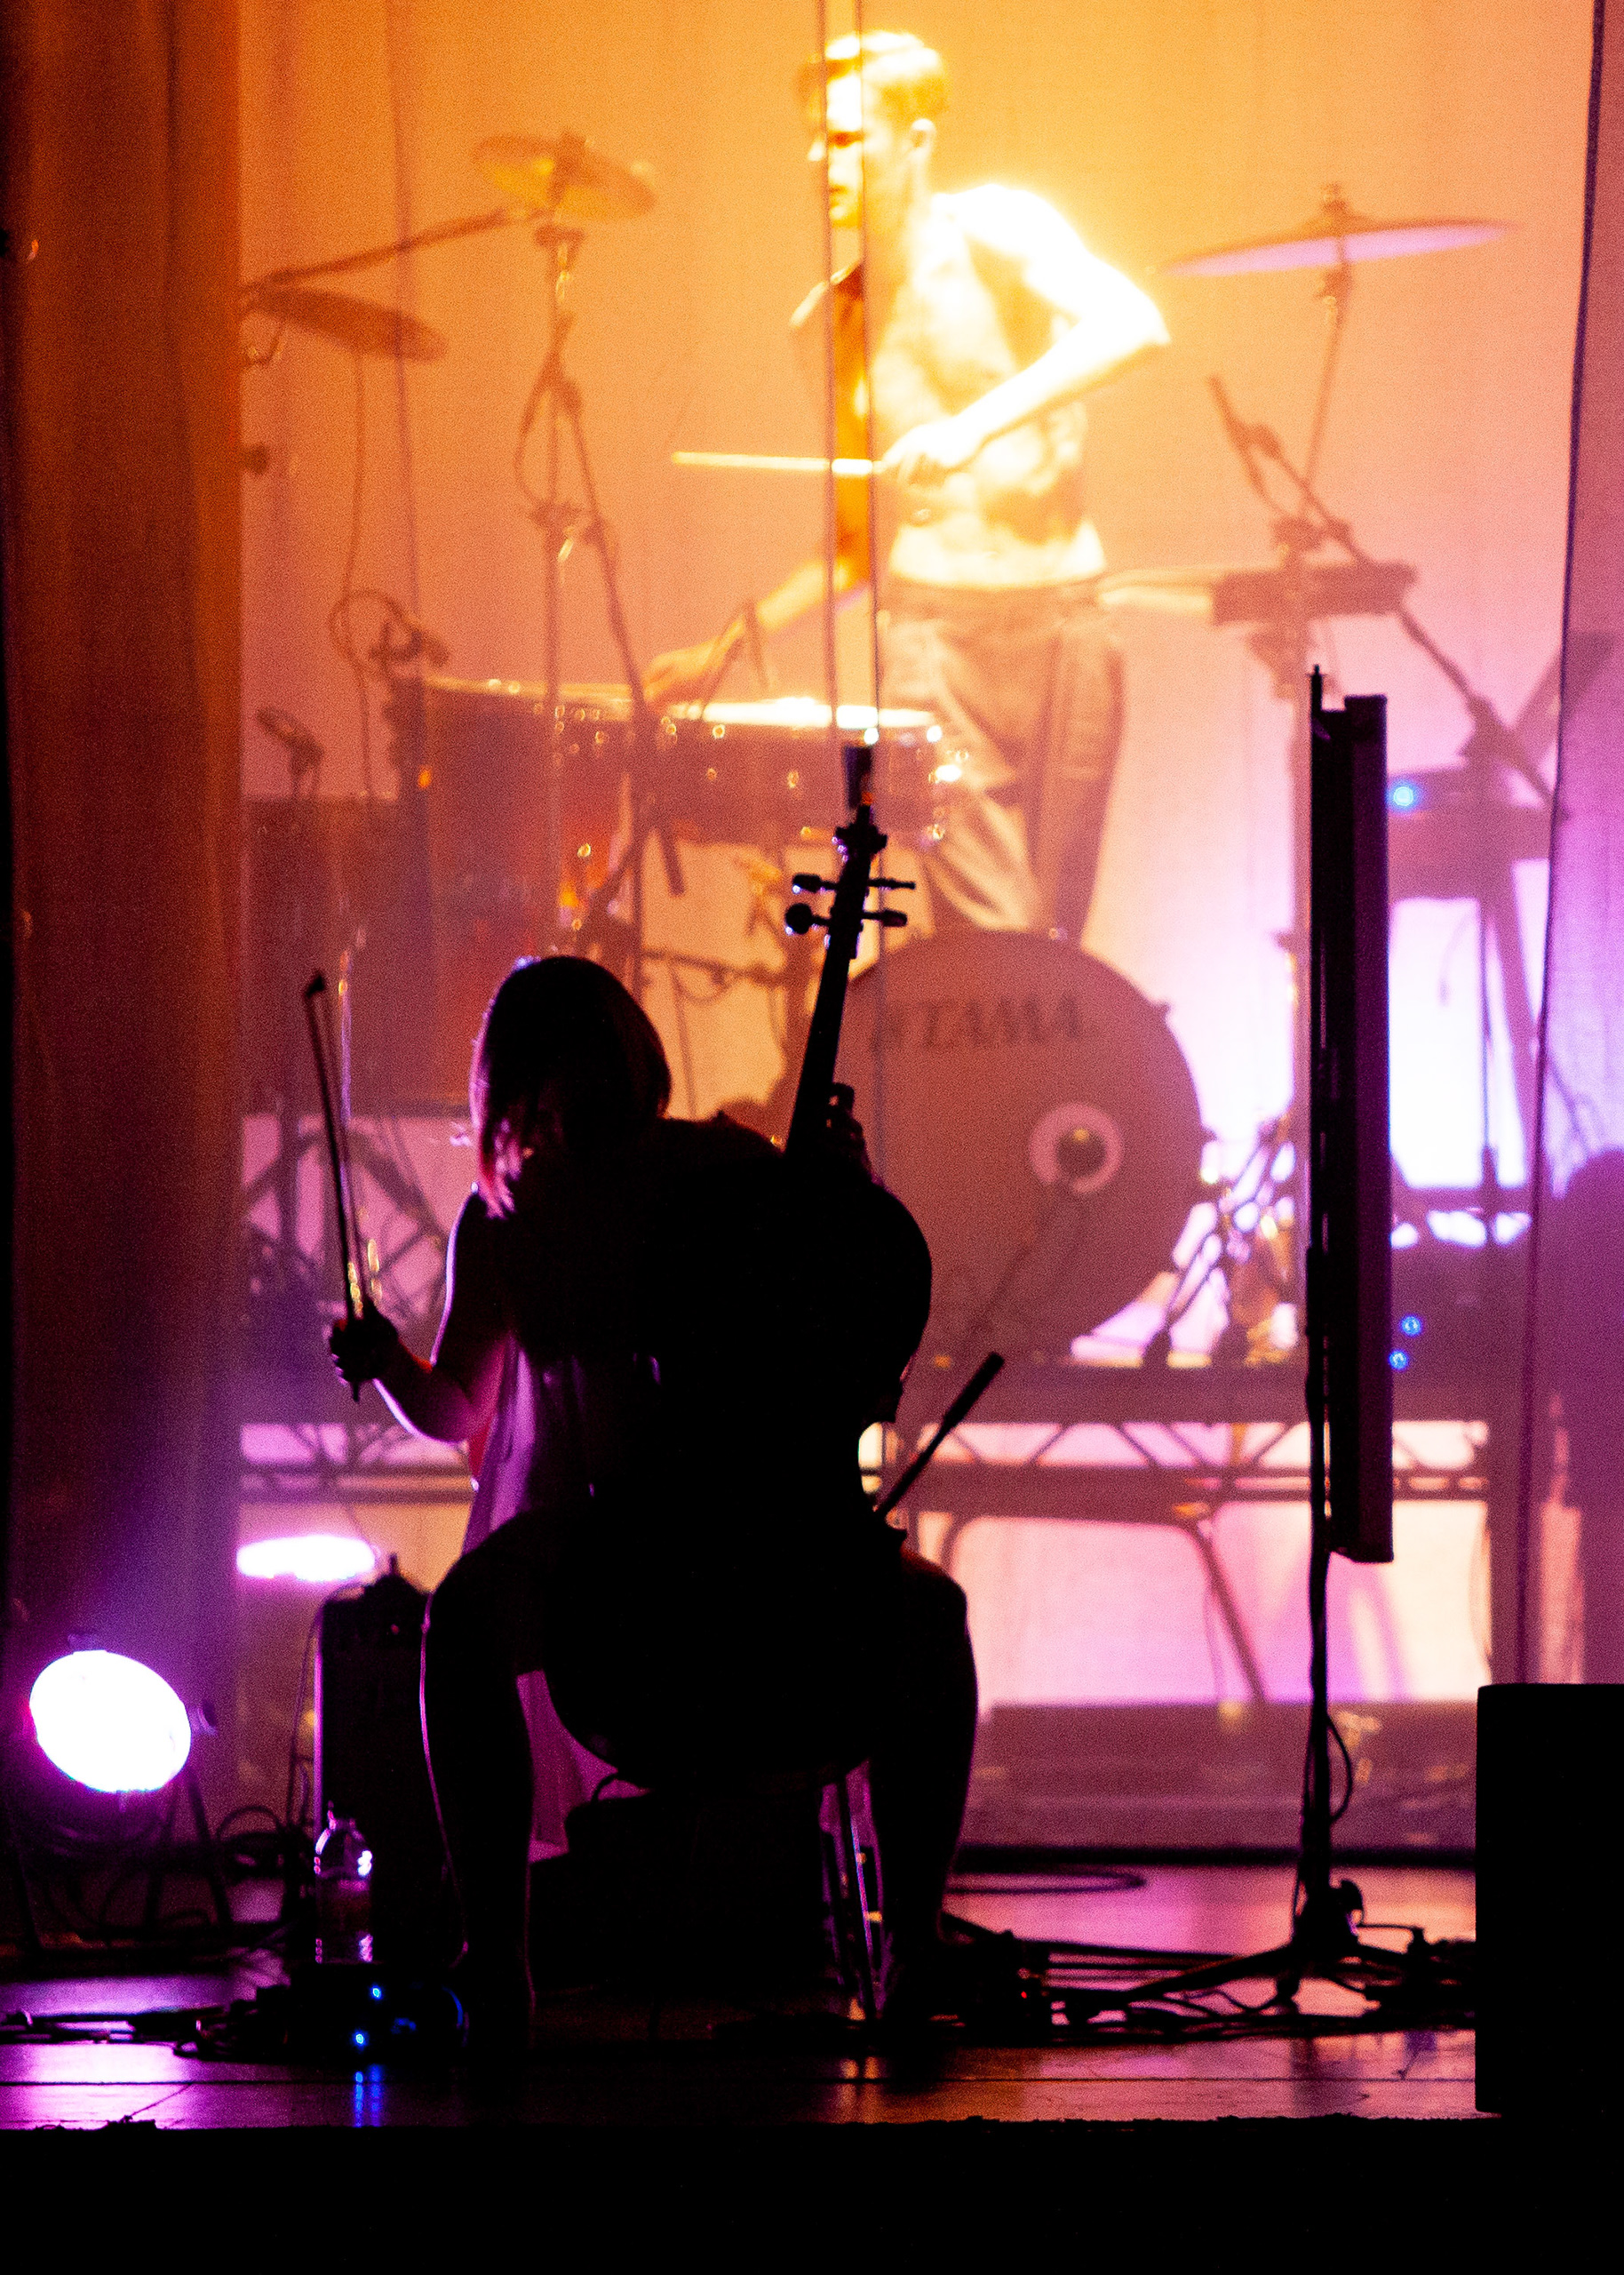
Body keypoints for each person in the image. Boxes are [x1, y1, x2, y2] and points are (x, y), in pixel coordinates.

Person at [329, 956, 975, 2051]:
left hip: (731, 1521)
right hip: (618, 1530)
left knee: (928, 1617)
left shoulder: (712, 1171)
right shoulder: (514, 1221)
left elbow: (830, 1303)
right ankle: (498, 1957)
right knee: (465, 1621)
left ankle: (913, 1940)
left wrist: (841, 1195)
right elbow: (453, 1406)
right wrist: (384, 1354)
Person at [649, 28, 1167, 941]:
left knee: (1055, 939)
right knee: (995, 927)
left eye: (847, 138)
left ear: (917, 138)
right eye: (814, 138)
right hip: (932, 640)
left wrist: (973, 425)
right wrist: (733, 643)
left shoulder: (998, 232)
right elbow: (858, 541)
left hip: (1065, 626)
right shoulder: (826, 327)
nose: (821, 160)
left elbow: (1134, 323)